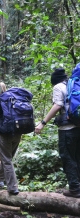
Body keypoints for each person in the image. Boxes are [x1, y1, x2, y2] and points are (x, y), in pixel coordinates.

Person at [35, 68, 80, 198]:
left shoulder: (58, 87)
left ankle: (75, 189)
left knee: (68, 158)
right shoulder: (74, 84)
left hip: (67, 130)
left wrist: (42, 123)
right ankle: (77, 186)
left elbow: (57, 105)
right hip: (78, 127)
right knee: (77, 157)